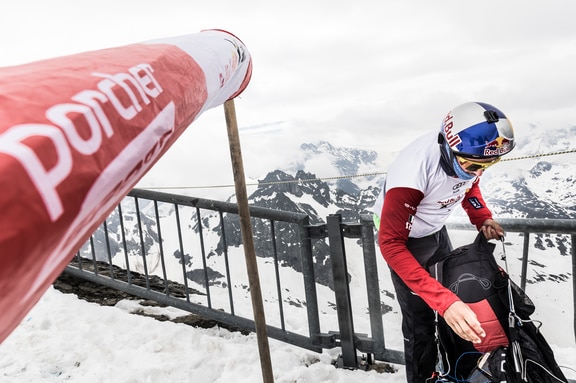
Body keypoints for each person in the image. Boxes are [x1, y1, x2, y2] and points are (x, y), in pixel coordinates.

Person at [372, 101, 515, 383]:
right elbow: (390, 243)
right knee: (421, 323)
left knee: (456, 299)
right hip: (407, 241)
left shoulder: (466, 157)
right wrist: (444, 302)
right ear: (448, 147)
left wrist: (482, 217)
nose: (478, 172)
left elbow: (469, 185)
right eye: (473, 164)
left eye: (489, 164)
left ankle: (456, 372)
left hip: (435, 230)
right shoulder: (412, 174)